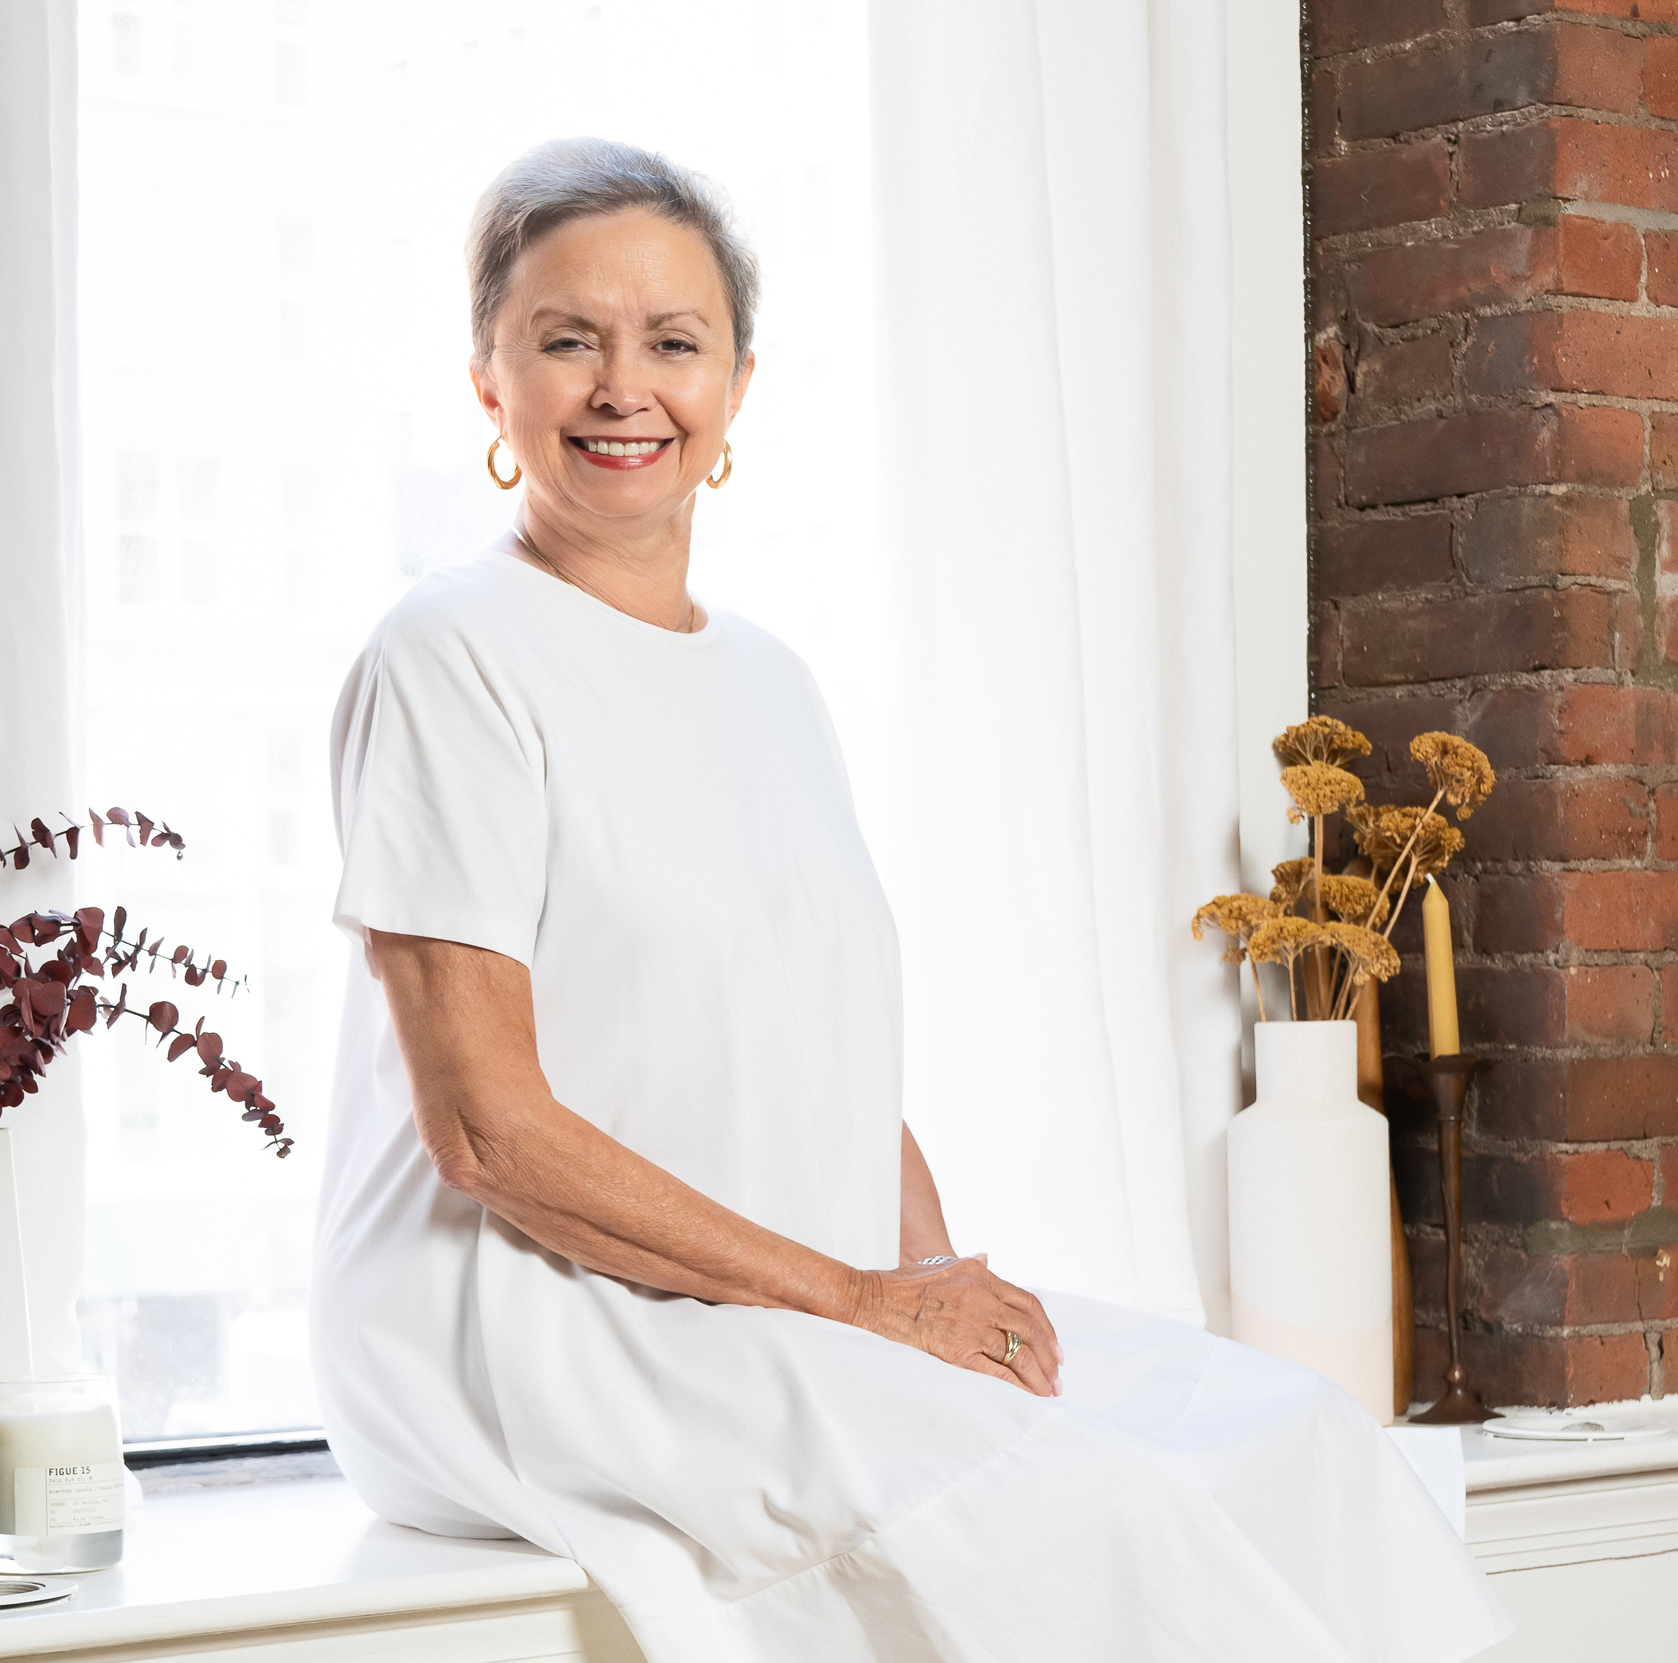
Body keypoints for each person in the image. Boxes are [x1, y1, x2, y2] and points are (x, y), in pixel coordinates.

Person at [312, 136, 1510, 1663]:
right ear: (491, 383)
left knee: (1297, 1436)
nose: (626, 389)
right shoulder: (450, 653)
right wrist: (867, 1307)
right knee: (1096, 1518)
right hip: (526, 1324)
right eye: (567, 341)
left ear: (737, 386)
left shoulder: (772, 683)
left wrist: (937, 1283)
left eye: (673, 343)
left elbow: (820, 1053)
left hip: (784, 1297)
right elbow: (487, 1134)